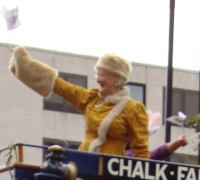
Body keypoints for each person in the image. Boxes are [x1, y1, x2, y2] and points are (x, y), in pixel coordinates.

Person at [9, 47, 149, 158]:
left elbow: (141, 151)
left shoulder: (133, 108)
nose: (97, 79)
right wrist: (27, 67)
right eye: (97, 74)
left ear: (116, 77)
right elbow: (61, 86)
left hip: (111, 172)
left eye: (101, 75)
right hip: (83, 165)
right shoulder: (91, 98)